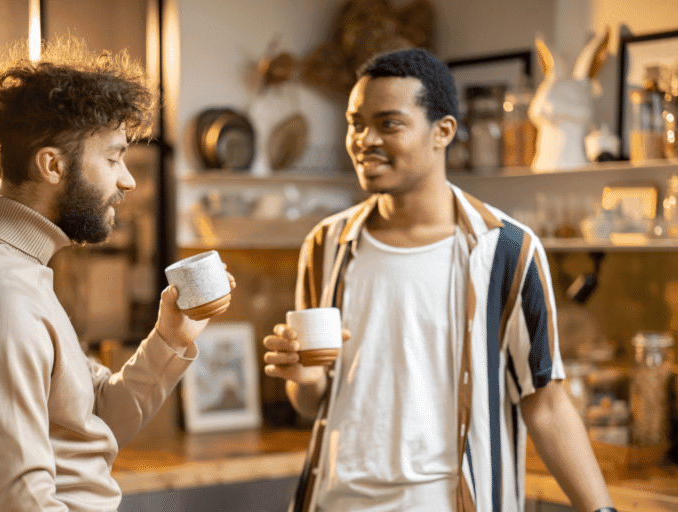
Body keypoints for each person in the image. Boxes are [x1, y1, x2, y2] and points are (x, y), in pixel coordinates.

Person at [262, 48, 616, 512]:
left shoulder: (507, 251)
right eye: (356, 123)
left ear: (442, 132)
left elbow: (545, 402)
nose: (365, 139)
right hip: (337, 501)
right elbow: (312, 403)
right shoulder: (326, 245)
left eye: (389, 124)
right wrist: (303, 379)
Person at [0, 37, 233, 512]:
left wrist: (171, 337)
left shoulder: (19, 274)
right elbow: (21, 501)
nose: (127, 179)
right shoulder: (0, 297)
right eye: (112, 158)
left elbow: (93, 418)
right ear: (52, 165)